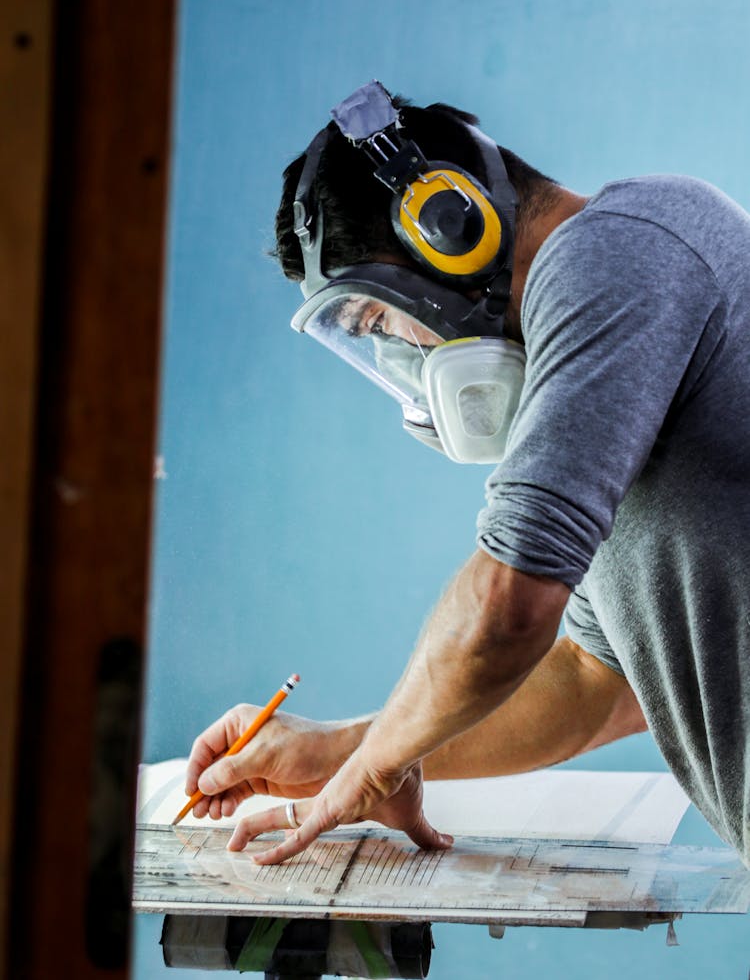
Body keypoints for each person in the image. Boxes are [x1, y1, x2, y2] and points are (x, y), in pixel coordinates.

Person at [185, 82, 750, 869]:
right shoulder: (610, 358)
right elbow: (600, 683)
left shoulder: (615, 254)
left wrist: (375, 763)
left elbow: (506, 606)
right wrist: (355, 753)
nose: (402, 351)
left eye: (380, 319)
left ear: (448, 226)